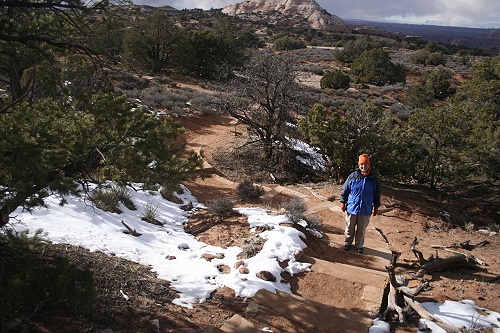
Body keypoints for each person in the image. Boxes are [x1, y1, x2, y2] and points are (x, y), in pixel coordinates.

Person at [339, 154, 381, 254]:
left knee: (361, 229)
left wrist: (376, 206)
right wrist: (342, 202)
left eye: (365, 164)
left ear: (369, 165)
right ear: (359, 165)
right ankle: (347, 243)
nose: (363, 166)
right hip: (352, 207)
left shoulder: (373, 179)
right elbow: (345, 190)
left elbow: (377, 194)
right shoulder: (353, 176)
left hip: (365, 209)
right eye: (361, 164)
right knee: (349, 227)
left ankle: (359, 245)